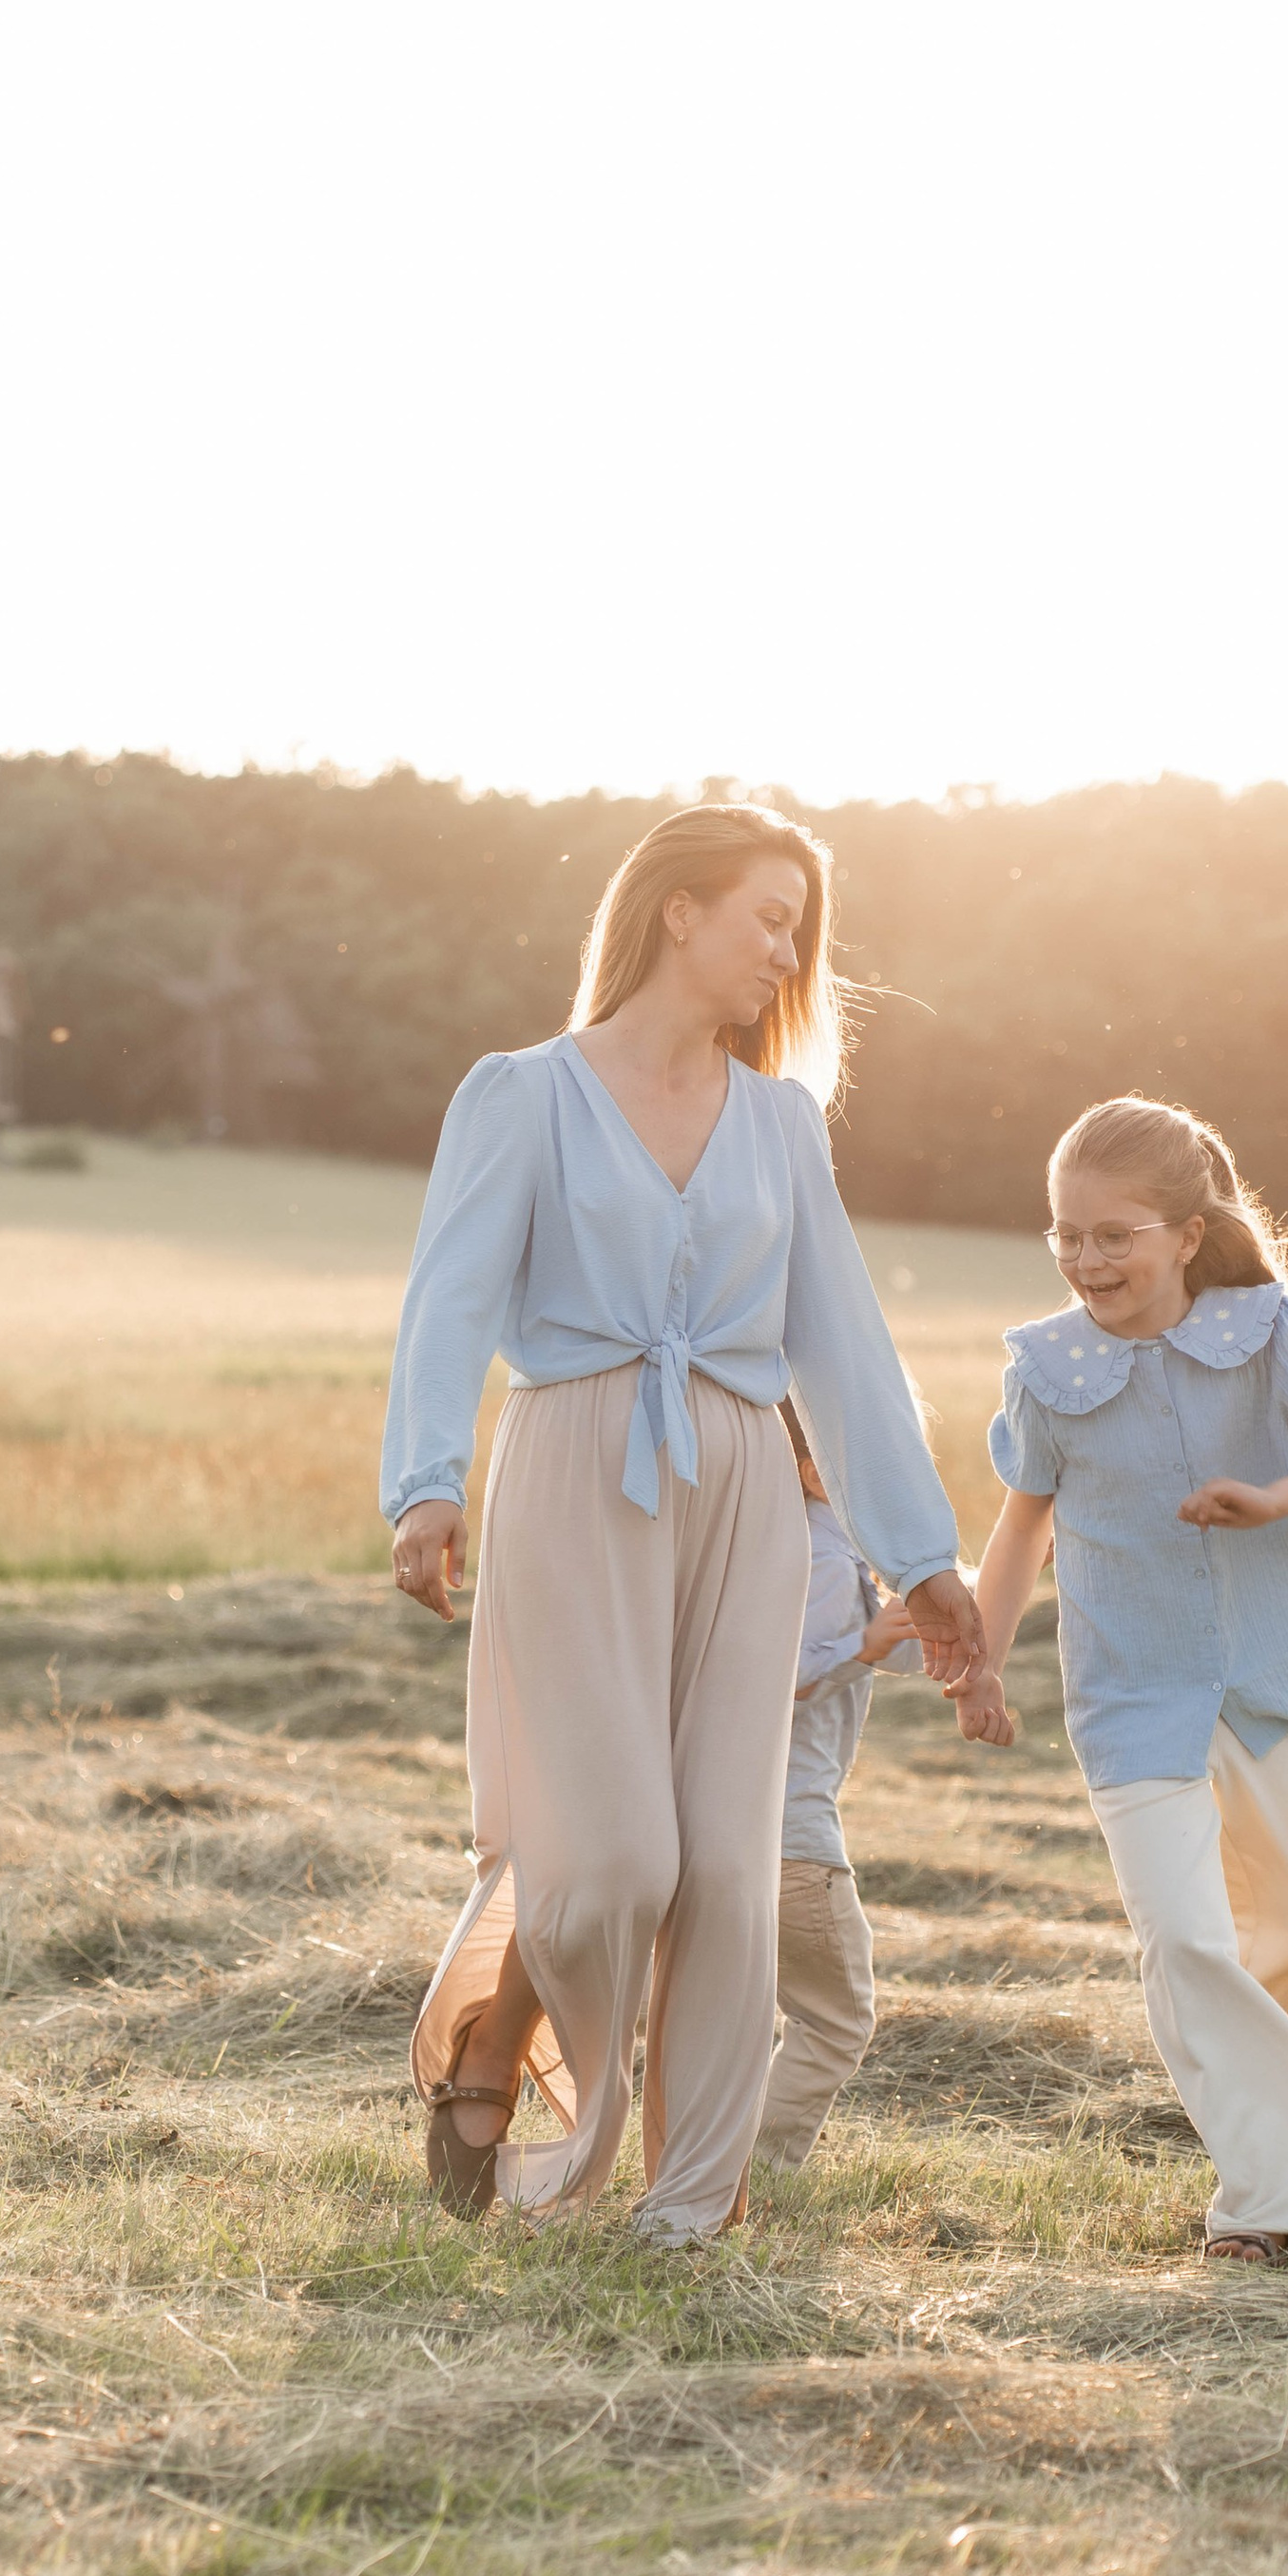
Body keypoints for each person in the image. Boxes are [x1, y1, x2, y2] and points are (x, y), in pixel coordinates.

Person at [382, 803, 984, 2243]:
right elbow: (449, 1299)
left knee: (727, 1868)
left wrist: (923, 1556)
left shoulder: (779, 1121)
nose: (789, 954)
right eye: (769, 918)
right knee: (615, 1864)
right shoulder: (520, 1092)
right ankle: (491, 2048)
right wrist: (424, 1483)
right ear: (678, 913)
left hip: (742, 1490)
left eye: (801, 931)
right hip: (575, 1463)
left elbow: (844, 1346)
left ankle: (689, 2207)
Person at [950, 1096, 1288, 2262]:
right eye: (1065, 1236)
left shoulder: (1266, 1332)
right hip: (1132, 1695)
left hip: (1264, 1677)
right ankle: (1277, 2195)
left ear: (1187, 1235)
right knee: (1186, 1943)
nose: (1085, 1260)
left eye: (1113, 1235)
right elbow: (1020, 1528)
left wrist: (1277, 1499)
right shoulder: (1044, 1370)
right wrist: (978, 1663)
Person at [755, 1404, 922, 2166]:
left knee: (737, 2012)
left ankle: (696, 2158)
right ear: (812, 1470)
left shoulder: (778, 1546)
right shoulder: (822, 1561)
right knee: (836, 2022)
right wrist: (862, 1643)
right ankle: (755, 2171)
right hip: (793, 1841)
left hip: (737, 1827)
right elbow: (776, 1675)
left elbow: (906, 1651)